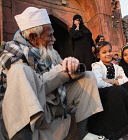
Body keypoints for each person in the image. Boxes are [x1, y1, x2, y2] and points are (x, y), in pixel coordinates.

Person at [0, 7, 104, 140]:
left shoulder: (51, 53)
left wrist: (72, 65)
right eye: (49, 35)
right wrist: (62, 71)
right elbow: (32, 87)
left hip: (54, 103)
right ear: (33, 37)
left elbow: (62, 72)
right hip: (25, 110)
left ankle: (83, 133)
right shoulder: (10, 53)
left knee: (88, 76)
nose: (54, 39)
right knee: (20, 71)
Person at [88, 41, 128, 140]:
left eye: (109, 51)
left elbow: (125, 80)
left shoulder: (117, 67)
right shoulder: (97, 66)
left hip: (117, 90)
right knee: (117, 89)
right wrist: (115, 81)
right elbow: (99, 83)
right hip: (103, 94)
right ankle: (121, 127)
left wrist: (110, 81)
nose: (108, 54)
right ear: (98, 55)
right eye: (104, 52)